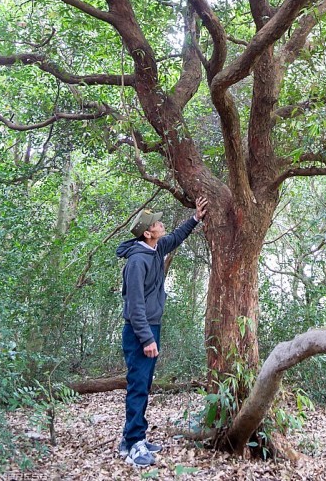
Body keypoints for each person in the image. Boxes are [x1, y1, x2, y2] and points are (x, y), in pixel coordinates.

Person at [116, 196, 208, 468]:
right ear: (148, 232)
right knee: (138, 387)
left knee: (142, 385)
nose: (161, 223)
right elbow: (134, 305)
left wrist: (195, 218)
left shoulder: (154, 250)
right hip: (138, 332)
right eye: (157, 222)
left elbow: (176, 237)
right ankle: (134, 444)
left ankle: (132, 438)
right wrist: (146, 339)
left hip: (150, 328)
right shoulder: (137, 262)